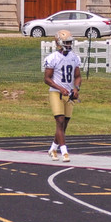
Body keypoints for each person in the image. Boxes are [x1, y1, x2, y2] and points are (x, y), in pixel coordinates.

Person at [43, 29, 82, 162]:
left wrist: (76, 88)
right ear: (59, 43)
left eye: (70, 42)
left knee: (64, 124)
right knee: (59, 121)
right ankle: (64, 152)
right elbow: (47, 78)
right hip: (56, 93)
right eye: (66, 42)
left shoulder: (74, 57)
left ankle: (53, 148)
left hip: (69, 94)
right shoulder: (52, 58)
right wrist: (60, 88)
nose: (69, 45)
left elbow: (77, 76)